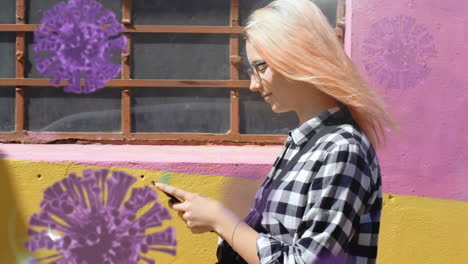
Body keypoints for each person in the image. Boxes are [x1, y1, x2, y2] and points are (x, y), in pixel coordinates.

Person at [153, 0, 397, 263]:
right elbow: (274, 240)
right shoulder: (303, 144)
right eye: (251, 70)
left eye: (261, 67)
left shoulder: (342, 148)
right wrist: (214, 219)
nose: (253, 85)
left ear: (298, 56)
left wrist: (221, 219)